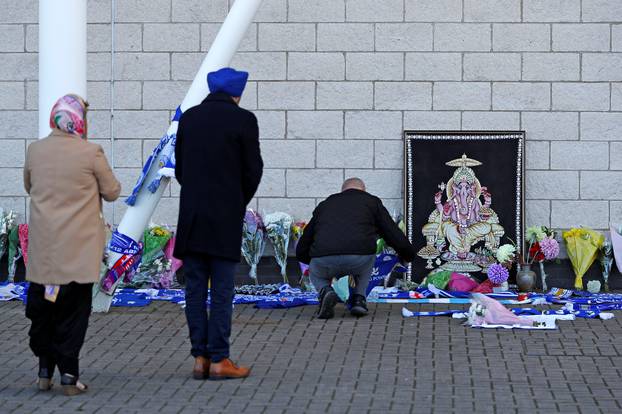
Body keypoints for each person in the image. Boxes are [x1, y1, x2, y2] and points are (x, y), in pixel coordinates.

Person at [23, 94, 121, 395]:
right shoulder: (90, 152)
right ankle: (68, 374)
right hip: (77, 253)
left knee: (45, 310)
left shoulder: (35, 150)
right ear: (78, 121)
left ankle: (44, 371)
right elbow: (113, 191)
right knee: (73, 314)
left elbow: (28, 186)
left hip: (44, 254)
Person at [174, 67, 263, 380]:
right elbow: (254, 170)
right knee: (222, 290)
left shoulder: (189, 118)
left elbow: (181, 170)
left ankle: (199, 356)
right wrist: (237, 200)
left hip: (192, 217)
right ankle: (220, 359)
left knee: (195, 290)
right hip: (224, 218)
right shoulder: (244, 120)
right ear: (237, 94)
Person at [296, 178, 416, 319]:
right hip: (359, 259)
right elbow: (391, 232)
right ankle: (359, 299)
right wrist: (408, 254)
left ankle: (325, 291)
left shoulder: (325, 204)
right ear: (364, 190)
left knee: (316, 273)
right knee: (370, 258)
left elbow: (306, 238)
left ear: (342, 191)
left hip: (324, 259)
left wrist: (307, 259)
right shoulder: (371, 202)